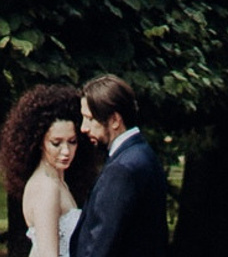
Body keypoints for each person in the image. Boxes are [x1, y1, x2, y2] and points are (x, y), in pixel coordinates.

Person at [71, 75, 167, 257]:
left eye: (90, 119)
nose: (83, 128)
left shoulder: (122, 168)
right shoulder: (143, 153)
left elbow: (102, 244)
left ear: (115, 120)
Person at [0, 85, 92, 257]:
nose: (66, 151)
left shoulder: (58, 182)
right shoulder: (46, 188)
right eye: (56, 143)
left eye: (72, 141)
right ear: (39, 142)